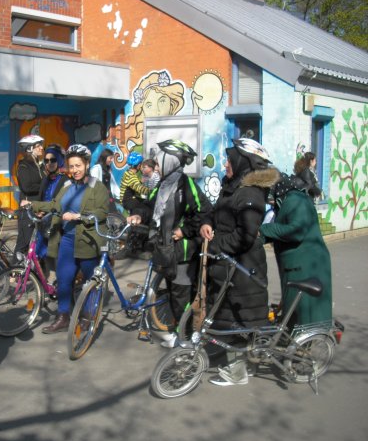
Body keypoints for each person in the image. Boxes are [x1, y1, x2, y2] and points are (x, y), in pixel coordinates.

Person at [199, 138, 280, 386]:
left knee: (238, 318)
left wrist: (214, 246)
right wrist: (207, 224)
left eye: (229, 159)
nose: (225, 164)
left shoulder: (250, 193)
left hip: (244, 269)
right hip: (226, 266)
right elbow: (215, 213)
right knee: (225, 315)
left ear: (242, 161)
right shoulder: (232, 187)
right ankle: (233, 361)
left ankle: (239, 372)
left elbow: (245, 236)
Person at [127, 140, 211, 347]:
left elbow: (205, 211)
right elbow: (148, 207)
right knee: (173, 292)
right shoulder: (163, 184)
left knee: (182, 294)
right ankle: (178, 333)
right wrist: (138, 215)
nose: (155, 166)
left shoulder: (185, 184)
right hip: (164, 249)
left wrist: (185, 230)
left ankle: (187, 339)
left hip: (182, 252)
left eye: (158, 162)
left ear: (170, 161)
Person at [23, 144, 109, 334]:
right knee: (63, 279)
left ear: (86, 164)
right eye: (71, 166)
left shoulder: (97, 187)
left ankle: (88, 316)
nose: (75, 170)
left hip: (88, 241)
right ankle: (63, 317)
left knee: (90, 282)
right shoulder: (68, 186)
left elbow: (102, 212)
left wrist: (78, 216)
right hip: (68, 241)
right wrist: (32, 204)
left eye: (78, 165)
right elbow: (55, 204)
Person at [260, 174, 332, 325]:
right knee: (295, 305)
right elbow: (283, 230)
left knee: (305, 308)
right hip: (299, 265)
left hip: (305, 265)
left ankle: (303, 341)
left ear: (277, 189)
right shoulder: (289, 201)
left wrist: (265, 230)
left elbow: (296, 231)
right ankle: (297, 338)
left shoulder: (295, 201)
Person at [36, 144, 69, 276]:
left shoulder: (65, 180)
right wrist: (38, 211)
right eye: (47, 160)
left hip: (57, 223)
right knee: (38, 251)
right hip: (43, 221)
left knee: (57, 256)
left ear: (60, 161)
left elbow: (62, 203)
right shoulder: (45, 179)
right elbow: (41, 198)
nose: (49, 163)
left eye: (53, 160)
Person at [15, 134, 45, 256]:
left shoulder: (39, 165)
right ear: (29, 148)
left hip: (38, 208)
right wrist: (44, 187)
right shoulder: (24, 166)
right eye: (38, 146)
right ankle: (13, 273)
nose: (42, 148)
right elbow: (27, 187)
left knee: (36, 243)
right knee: (23, 244)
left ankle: (31, 272)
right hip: (27, 211)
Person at [119, 152, 152, 222]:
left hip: (129, 199)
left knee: (145, 203)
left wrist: (140, 182)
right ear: (139, 165)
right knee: (147, 208)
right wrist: (151, 191)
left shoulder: (128, 172)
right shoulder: (131, 176)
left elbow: (133, 185)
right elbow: (139, 188)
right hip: (128, 200)